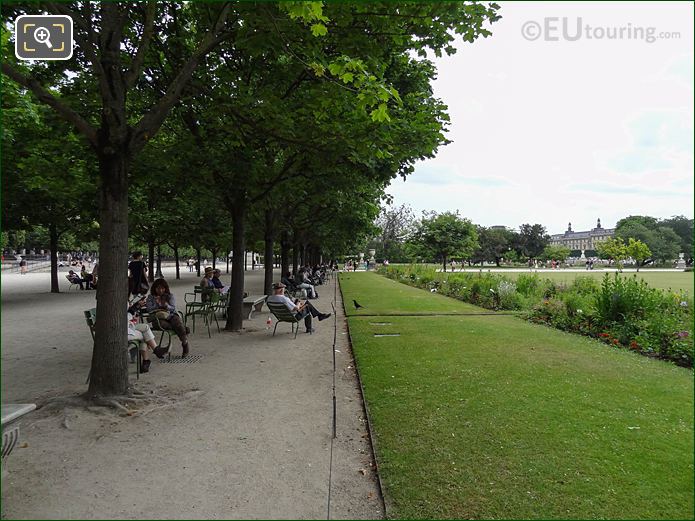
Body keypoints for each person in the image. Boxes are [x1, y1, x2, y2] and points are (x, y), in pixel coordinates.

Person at [145, 278, 191, 358]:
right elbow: (149, 309)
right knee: (173, 326)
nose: (161, 290)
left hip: (171, 315)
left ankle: (185, 343)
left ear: (166, 288)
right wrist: (158, 304)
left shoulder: (170, 296)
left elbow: (173, 308)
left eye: (163, 288)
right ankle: (182, 329)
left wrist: (166, 305)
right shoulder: (151, 297)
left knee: (176, 321)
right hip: (158, 318)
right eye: (158, 288)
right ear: (154, 288)